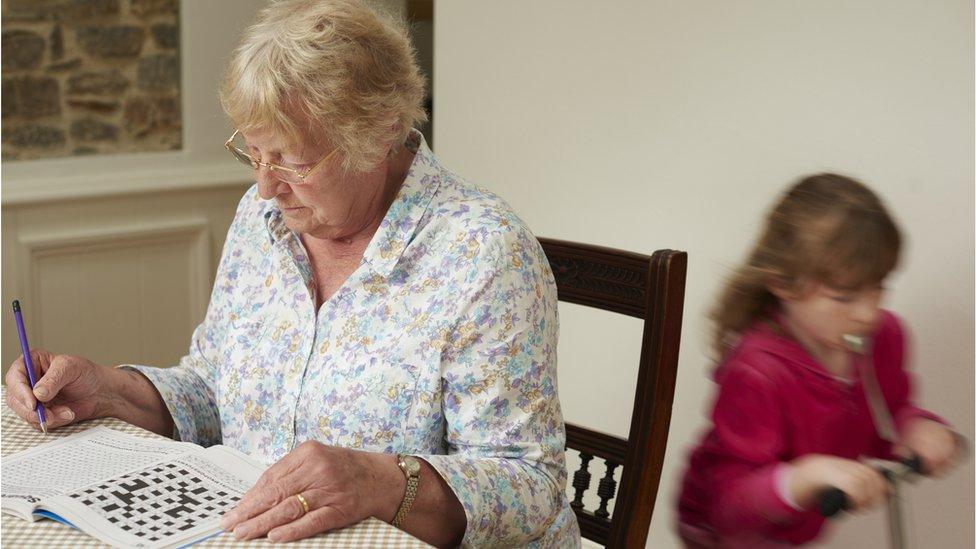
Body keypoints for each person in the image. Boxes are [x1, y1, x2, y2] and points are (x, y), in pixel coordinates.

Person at [4, 1, 581, 547]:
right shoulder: (263, 218)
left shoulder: (483, 251)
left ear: (380, 135)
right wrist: (110, 389)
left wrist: (382, 482)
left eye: (293, 161)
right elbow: (213, 387)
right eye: (253, 154)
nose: (265, 187)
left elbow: (532, 486)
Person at [675, 174, 961, 547]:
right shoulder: (757, 371)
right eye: (843, 297)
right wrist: (801, 479)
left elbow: (887, 417)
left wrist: (916, 427)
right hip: (721, 534)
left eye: (878, 287)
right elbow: (730, 503)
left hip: (793, 530)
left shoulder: (884, 339)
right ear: (782, 283)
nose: (868, 312)